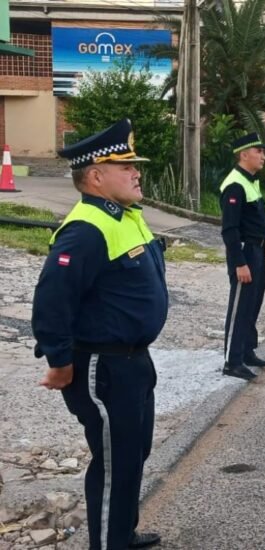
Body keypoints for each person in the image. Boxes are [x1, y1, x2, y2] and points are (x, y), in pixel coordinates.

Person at [32, 119, 168, 550]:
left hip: (133, 362)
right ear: (95, 176)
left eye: (134, 166)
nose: (136, 173)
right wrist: (58, 360)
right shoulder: (85, 229)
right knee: (115, 463)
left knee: (132, 456)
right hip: (104, 367)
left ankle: (120, 534)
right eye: (125, 166)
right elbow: (53, 299)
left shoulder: (125, 215)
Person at [220, 131, 265, 381]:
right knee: (240, 306)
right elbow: (230, 229)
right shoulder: (234, 184)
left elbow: (258, 218)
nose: (263, 156)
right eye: (259, 151)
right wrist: (239, 264)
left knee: (253, 304)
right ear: (244, 155)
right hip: (243, 251)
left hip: (256, 249)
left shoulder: (251, 181)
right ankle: (232, 361)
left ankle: (246, 351)